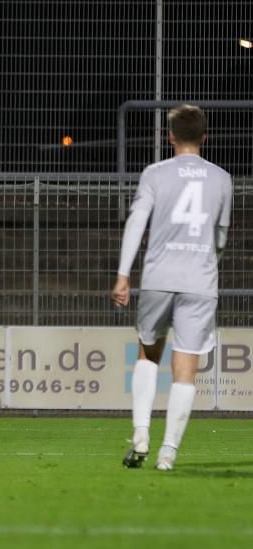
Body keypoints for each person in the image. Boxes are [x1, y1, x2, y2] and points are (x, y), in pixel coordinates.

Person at [113, 104, 232, 471]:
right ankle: (168, 453)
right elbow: (221, 238)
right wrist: (207, 262)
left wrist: (123, 274)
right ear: (204, 137)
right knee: (186, 365)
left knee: (149, 353)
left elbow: (136, 222)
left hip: (159, 278)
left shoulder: (156, 173)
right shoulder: (222, 178)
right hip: (200, 280)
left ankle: (141, 434)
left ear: (170, 136)